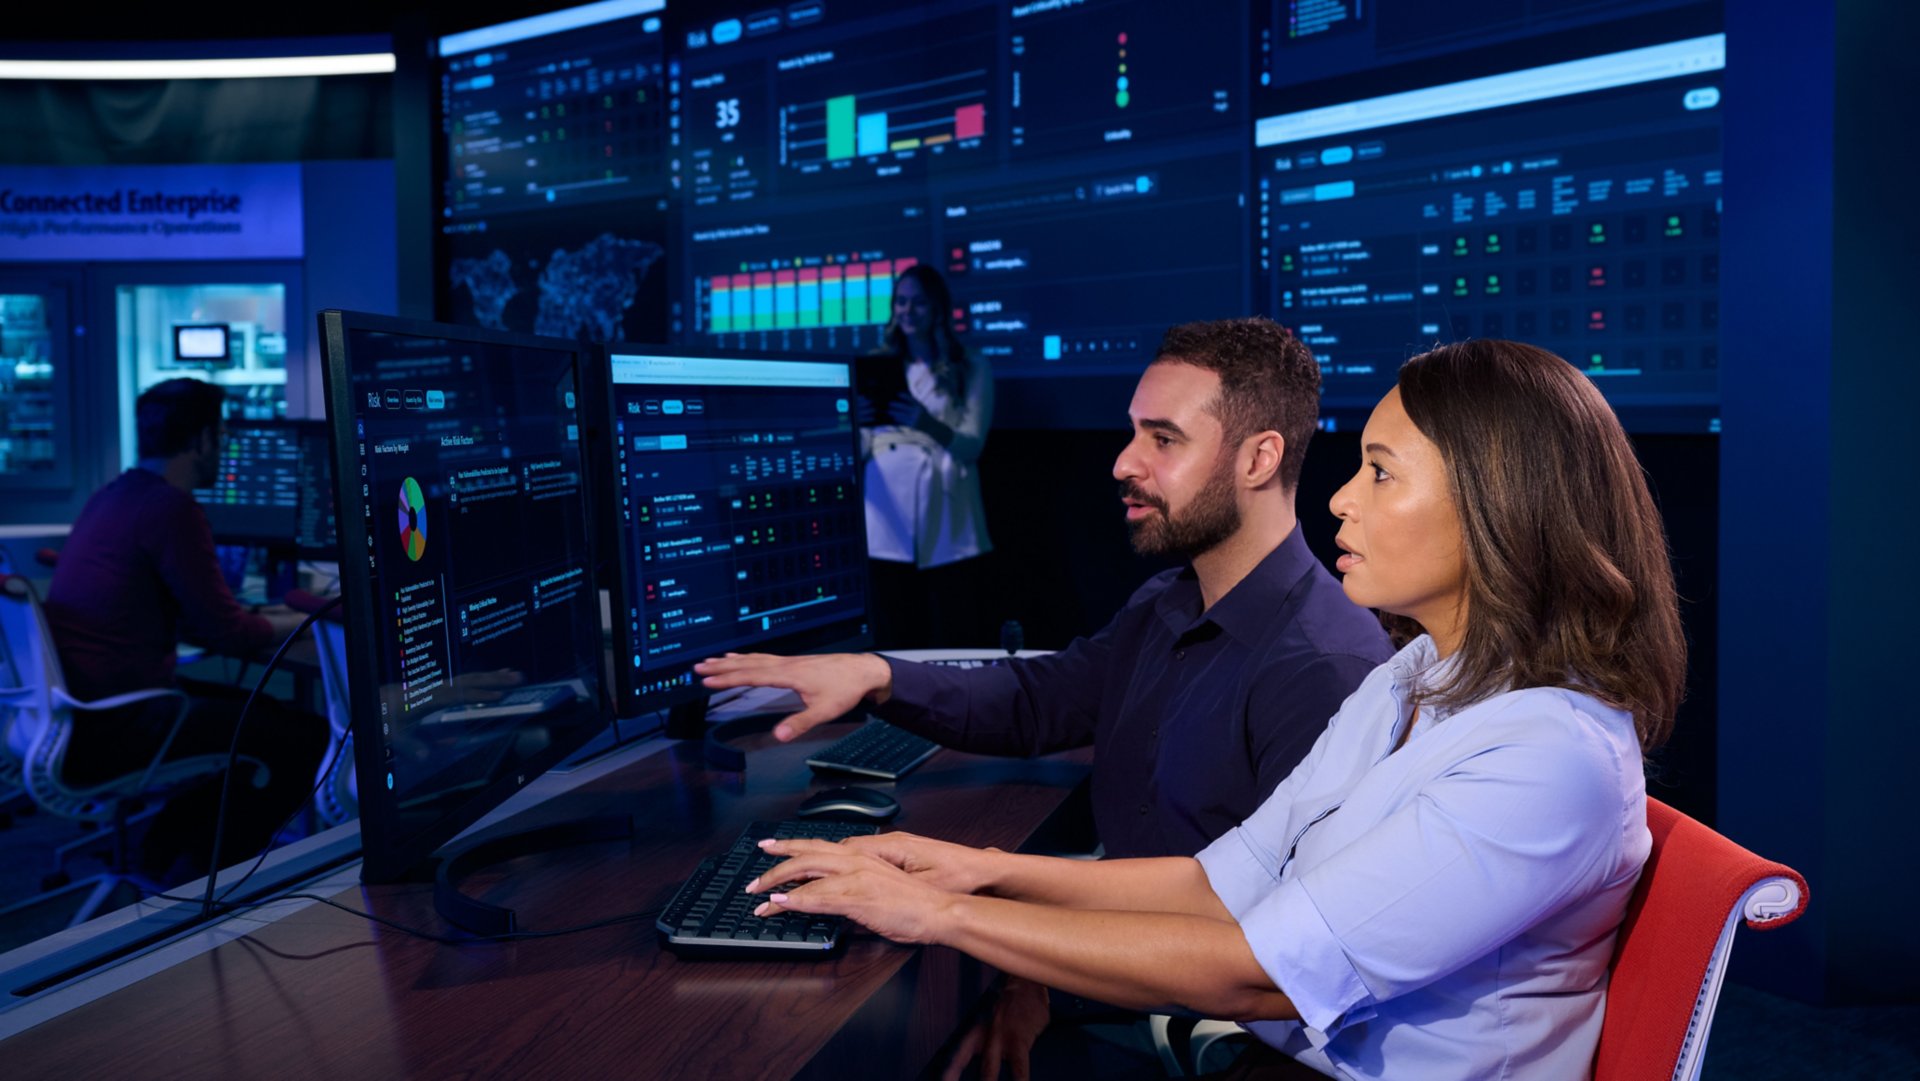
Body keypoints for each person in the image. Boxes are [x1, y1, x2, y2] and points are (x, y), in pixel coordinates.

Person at [740, 340, 1686, 1080]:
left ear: (1498, 505)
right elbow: (1217, 881)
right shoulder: (1412, 678)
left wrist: (941, 913)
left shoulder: (1548, 753)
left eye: (1381, 472)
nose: (1344, 501)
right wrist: (965, 869)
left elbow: (1261, 970)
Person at [698, 318, 1393, 1074]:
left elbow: (1268, 954)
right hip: (1119, 979)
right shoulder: (1165, 602)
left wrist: (1026, 966)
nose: (1124, 462)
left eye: (1163, 439)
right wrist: (878, 675)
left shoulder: (1325, 667)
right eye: (1133, 433)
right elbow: (1038, 699)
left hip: (1223, 1035)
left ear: (1260, 457)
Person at [44, 378, 328, 881]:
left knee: (265, 715)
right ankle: (213, 882)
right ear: (201, 440)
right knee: (304, 738)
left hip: (84, 709)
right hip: (124, 722)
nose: (224, 449)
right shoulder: (171, 508)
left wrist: (267, 615)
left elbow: (207, 621)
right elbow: (229, 634)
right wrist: (302, 614)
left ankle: (167, 850)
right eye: (222, 436)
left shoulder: (112, 495)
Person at [860, 263, 994, 648]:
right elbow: (862, 449)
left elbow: (972, 445)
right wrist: (855, 421)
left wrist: (926, 423)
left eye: (918, 303)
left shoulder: (970, 365)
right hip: (884, 513)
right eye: (901, 302)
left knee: (952, 630)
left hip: (945, 510)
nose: (907, 311)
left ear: (936, 308)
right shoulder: (878, 365)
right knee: (894, 631)